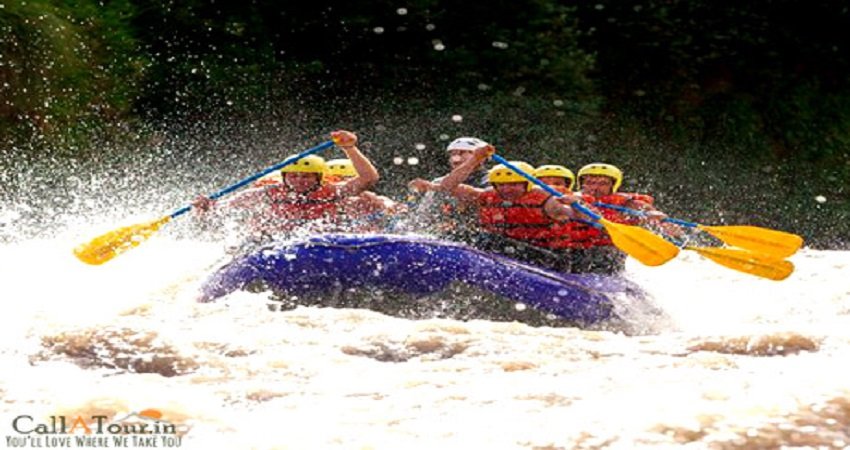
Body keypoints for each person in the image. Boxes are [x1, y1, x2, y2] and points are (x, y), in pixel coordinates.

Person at [192, 130, 379, 242]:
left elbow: (368, 178)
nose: (299, 181)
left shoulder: (332, 192)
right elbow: (227, 206)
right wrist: (208, 206)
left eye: (306, 177)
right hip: (275, 243)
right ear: (284, 176)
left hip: (321, 242)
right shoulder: (269, 192)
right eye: (294, 176)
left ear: (319, 178)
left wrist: (349, 148)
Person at [436, 145, 587, 270]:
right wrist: (474, 160)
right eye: (502, 185)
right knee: (459, 234)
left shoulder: (548, 201)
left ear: (527, 184)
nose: (507, 189)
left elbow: (581, 217)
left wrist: (576, 204)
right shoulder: (487, 195)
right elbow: (446, 187)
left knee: (486, 239)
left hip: (549, 259)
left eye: (514, 184)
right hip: (510, 251)